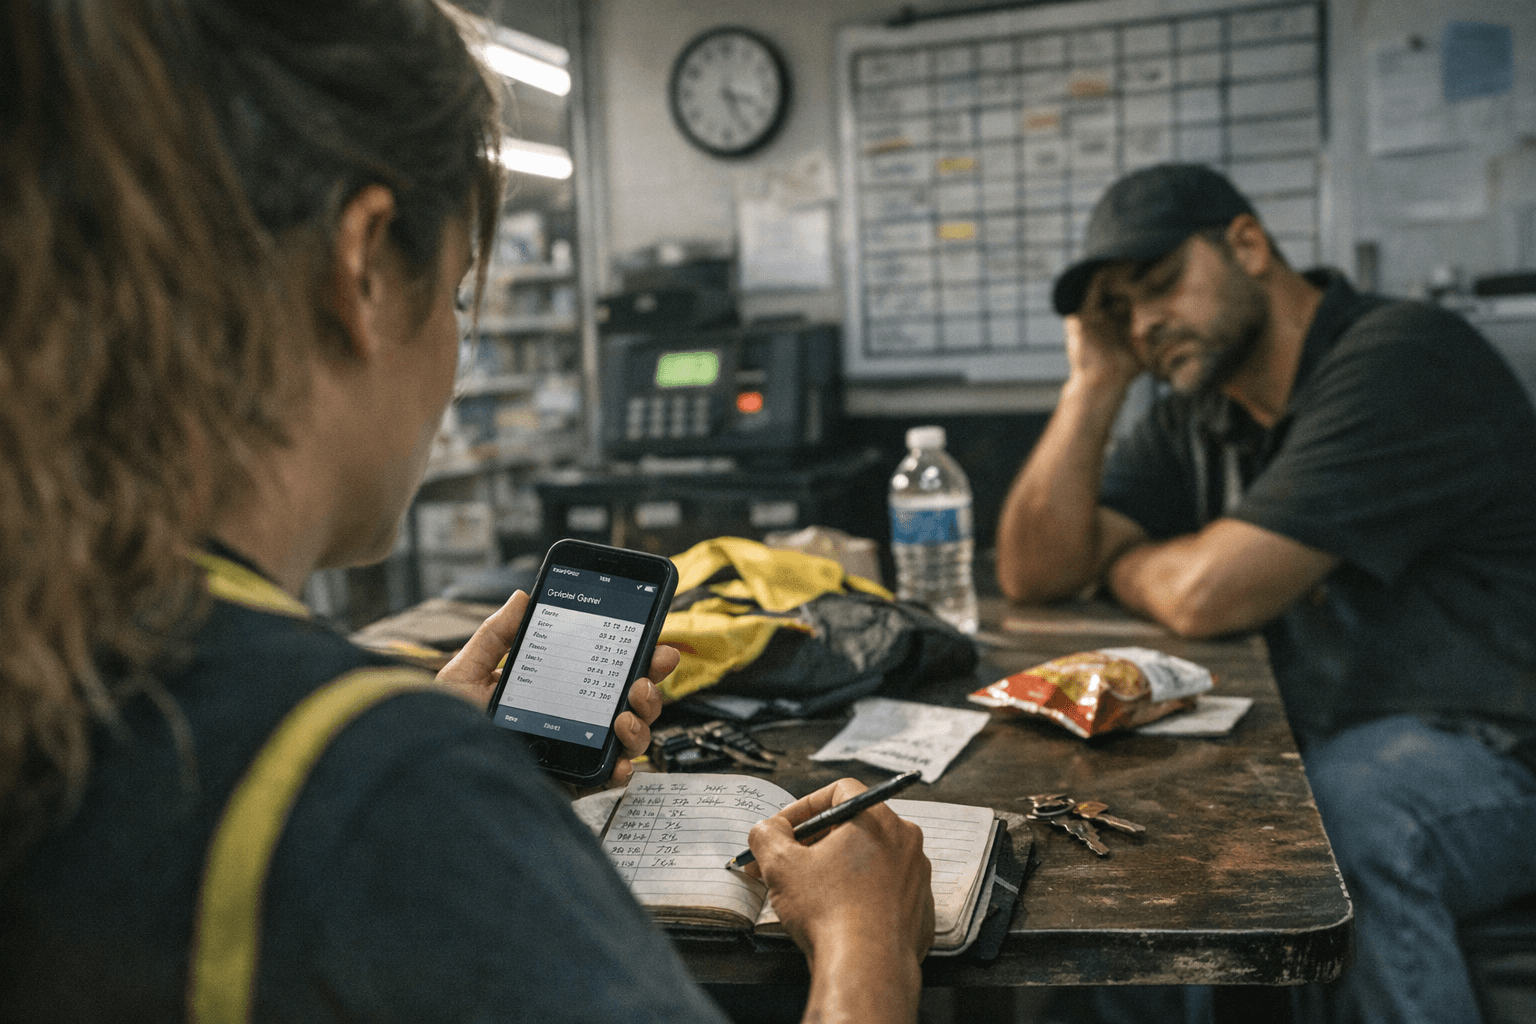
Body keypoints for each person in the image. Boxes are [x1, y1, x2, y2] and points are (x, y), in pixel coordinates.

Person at [0, 2, 933, 1022]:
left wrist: (448, 769)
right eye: (453, 294)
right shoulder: (382, 784)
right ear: (363, 269)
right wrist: (868, 943)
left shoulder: (66, 644)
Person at [996, 163, 1536, 1023]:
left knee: (1351, 816)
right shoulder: (1199, 407)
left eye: (1160, 282)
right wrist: (1093, 383)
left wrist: (1128, 564)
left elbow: (1210, 595)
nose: (1143, 323)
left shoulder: (1402, 356)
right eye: (1119, 310)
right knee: (1123, 818)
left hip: (1495, 751)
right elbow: (1035, 571)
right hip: (1316, 740)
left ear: (1247, 245)